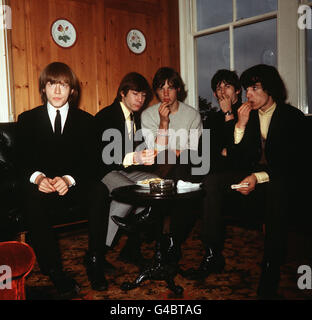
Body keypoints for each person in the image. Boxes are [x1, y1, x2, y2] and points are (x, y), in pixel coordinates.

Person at [184, 64, 309, 299]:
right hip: (250, 175)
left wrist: (258, 177)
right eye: (247, 89)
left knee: (278, 190)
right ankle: (212, 253)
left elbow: (293, 165)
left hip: (280, 180)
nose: (248, 94)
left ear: (270, 88)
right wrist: (239, 125)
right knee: (212, 182)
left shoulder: (291, 117)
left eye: (254, 88)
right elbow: (237, 158)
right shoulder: (248, 115)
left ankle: (270, 269)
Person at [16, 62, 111, 298]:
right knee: (30, 195)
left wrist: (69, 180)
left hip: (73, 186)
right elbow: (20, 160)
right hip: (43, 188)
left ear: (72, 90)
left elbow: (94, 164)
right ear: (43, 88)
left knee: (99, 189)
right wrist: (38, 178)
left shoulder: (87, 121)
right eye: (51, 84)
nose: (57, 91)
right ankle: (54, 270)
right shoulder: (27, 119)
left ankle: (95, 259)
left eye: (63, 85)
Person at [95, 72, 158, 266]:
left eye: (143, 95)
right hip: (103, 170)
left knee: (157, 187)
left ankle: (131, 248)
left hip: (125, 169)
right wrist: (135, 157)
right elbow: (104, 157)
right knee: (128, 194)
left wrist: (145, 156)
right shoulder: (106, 116)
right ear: (122, 93)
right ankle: (98, 252)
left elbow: (133, 153)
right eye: (135, 94)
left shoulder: (136, 118)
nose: (140, 99)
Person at [206, 69, 242, 173]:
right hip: (216, 170)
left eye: (227, 86)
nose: (223, 92)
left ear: (237, 90)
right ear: (215, 94)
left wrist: (228, 113)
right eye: (219, 88)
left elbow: (237, 152)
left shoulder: (247, 112)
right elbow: (204, 151)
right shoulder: (211, 119)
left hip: (239, 170)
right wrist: (221, 151)